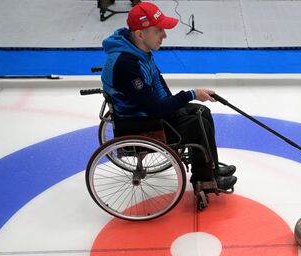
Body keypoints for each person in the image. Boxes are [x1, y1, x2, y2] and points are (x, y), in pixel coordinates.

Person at [101, 1, 237, 191]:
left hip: (150, 112)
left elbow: (157, 81)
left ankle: (210, 168)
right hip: (139, 124)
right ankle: (205, 181)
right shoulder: (127, 64)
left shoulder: (138, 49)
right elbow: (154, 109)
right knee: (198, 124)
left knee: (202, 111)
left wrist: (176, 107)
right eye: (159, 31)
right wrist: (190, 94)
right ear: (141, 33)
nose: (164, 35)